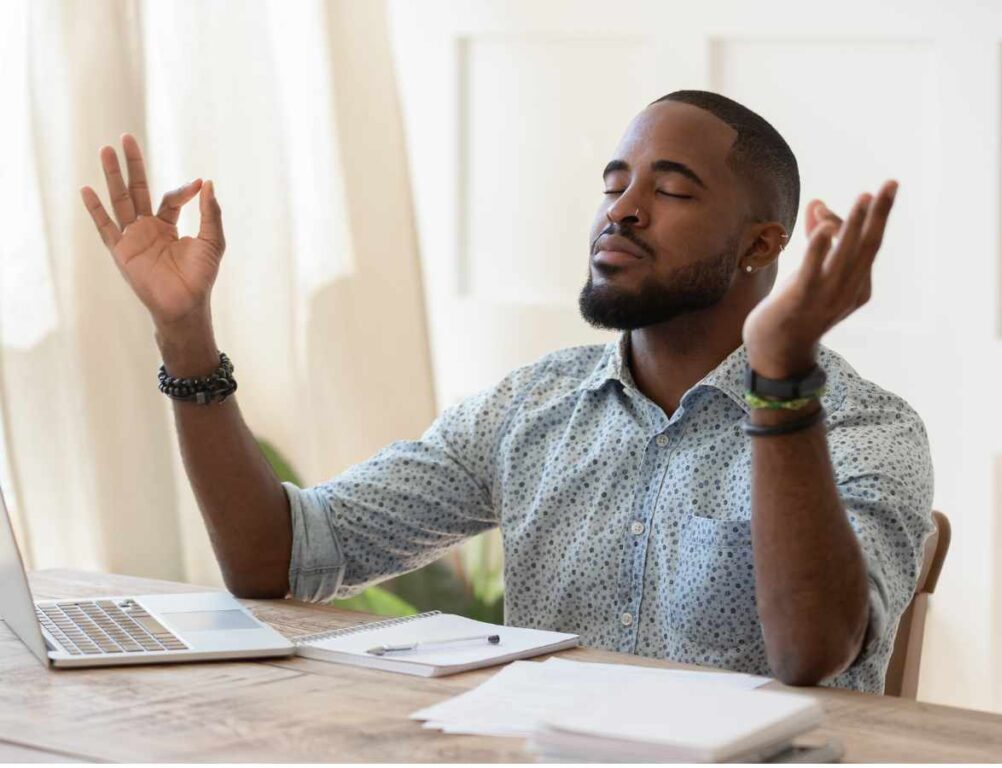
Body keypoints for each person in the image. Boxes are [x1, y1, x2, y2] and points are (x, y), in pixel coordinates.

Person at [81, 90, 933, 692]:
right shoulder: (531, 409)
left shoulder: (868, 429)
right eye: (613, 184)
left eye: (670, 189)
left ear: (761, 245)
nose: (622, 210)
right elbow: (278, 559)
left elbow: (812, 655)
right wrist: (186, 336)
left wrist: (780, 377)